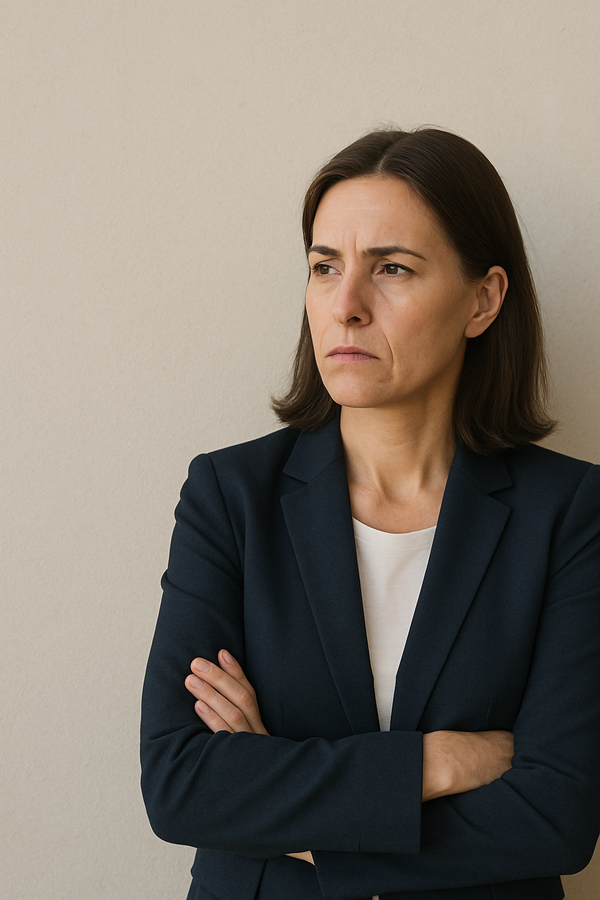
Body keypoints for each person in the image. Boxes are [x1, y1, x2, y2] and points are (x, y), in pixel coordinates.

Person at [141, 128, 600, 900]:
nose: (345, 306)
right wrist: (435, 764)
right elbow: (183, 781)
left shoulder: (571, 514)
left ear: (482, 300)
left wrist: (293, 812)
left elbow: (558, 815)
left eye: (391, 268)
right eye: (326, 268)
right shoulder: (229, 496)